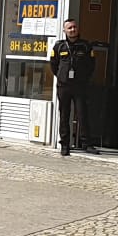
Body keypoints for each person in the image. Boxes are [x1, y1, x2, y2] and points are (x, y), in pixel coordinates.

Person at [50, 19, 97, 157]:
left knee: (83, 114)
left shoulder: (85, 46)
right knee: (64, 115)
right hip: (64, 86)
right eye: (69, 28)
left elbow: (91, 65)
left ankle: (86, 144)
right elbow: (53, 65)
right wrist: (61, 76)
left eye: (74, 27)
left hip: (80, 86)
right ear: (64, 30)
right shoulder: (59, 47)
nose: (72, 29)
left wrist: (84, 78)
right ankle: (65, 144)